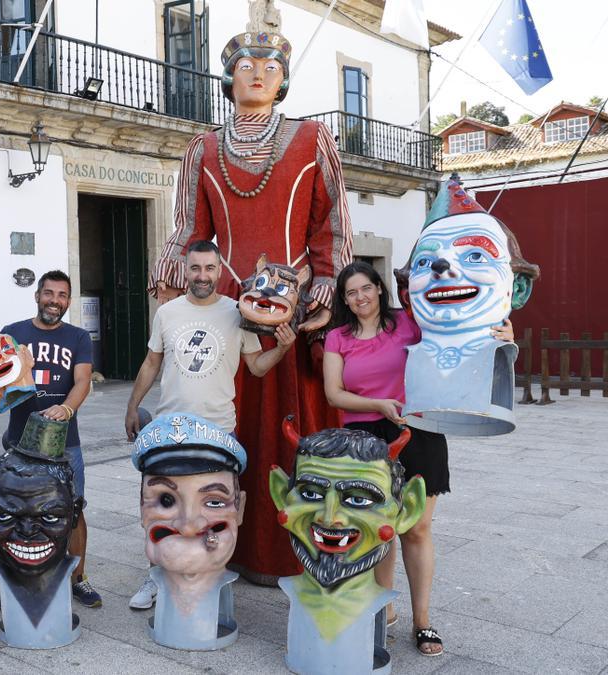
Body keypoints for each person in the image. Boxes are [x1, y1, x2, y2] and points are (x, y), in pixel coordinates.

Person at [147, 2, 352, 583]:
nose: (257, 74)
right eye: (245, 65)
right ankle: (209, 546)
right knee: (218, 433)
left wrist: (327, 280)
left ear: (283, 79)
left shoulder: (314, 139)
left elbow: (331, 222)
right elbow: (189, 229)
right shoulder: (202, 149)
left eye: (268, 66)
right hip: (224, 314)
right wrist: (167, 288)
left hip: (290, 308)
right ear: (229, 76)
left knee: (289, 432)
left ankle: (295, 549)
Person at [323, 260, 513, 656]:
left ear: (379, 288)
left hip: (418, 430)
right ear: (344, 300)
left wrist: (500, 334)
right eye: (351, 293)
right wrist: (378, 403)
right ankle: (386, 608)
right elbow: (334, 394)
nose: (360, 298)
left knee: (418, 528)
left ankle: (423, 620)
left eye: (366, 289)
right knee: (379, 528)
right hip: (364, 437)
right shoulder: (337, 337)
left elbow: (458, 341)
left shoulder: (408, 322)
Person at [125, 240, 295, 609]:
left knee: (215, 508)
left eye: (209, 268)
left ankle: (212, 576)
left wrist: (281, 348)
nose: (202, 276)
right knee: (160, 505)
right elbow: (151, 363)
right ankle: (155, 577)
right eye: (196, 268)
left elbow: (256, 367)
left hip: (219, 431)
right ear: (186, 270)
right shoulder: (167, 313)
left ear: (220, 271)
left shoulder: (238, 312)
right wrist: (132, 405)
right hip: (170, 430)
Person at [0, 270, 101, 609]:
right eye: (48, 293)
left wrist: (67, 408)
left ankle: (78, 578)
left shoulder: (78, 337)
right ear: (37, 296)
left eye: (61, 295)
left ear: (68, 302)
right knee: (19, 512)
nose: (54, 301)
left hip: (64, 442)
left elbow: (83, 380)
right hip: (19, 443)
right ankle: (21, 577)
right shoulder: (14, 333)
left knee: (74, 509)